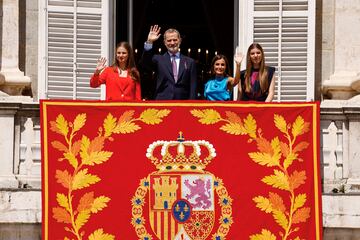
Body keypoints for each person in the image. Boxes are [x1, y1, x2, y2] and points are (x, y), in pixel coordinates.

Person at [140, 25, 197, 100]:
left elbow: (193, 86)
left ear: (180, 40)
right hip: (163, 101)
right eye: (169, 40)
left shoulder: (190, 62)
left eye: (175, 40)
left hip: (183, 103)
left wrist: (191, 105)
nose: (172, 43)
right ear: (164, 42)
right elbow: (145, 62)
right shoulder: (159, 59)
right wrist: (149, 42)